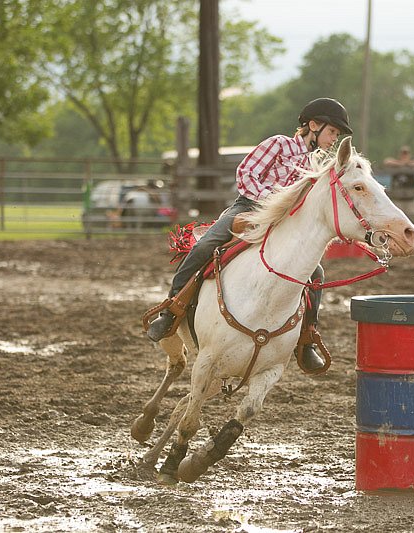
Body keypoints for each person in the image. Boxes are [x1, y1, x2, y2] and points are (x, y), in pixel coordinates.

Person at [146, 97, 353, 372]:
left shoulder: (314, 165)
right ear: (312, 126)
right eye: (332, 132)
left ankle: (307, 338)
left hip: (281, 224)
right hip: (248, 208)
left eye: (337, 135)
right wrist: (272, 203)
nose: (334, 140)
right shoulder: (278, 144)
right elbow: (246, 174)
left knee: (316, 274)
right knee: (206, 245)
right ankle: (172, 311)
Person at [383, 146, 414, 214]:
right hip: (398, 198)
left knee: (412, 218)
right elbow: (386, 161)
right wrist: (400, 164)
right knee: (397, 217)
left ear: (409, 155)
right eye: (403, 154)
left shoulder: (412, 165)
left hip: (410, 198)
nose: (404, 156)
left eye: (406, 154)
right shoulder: (395, 165)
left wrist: (409, 164)